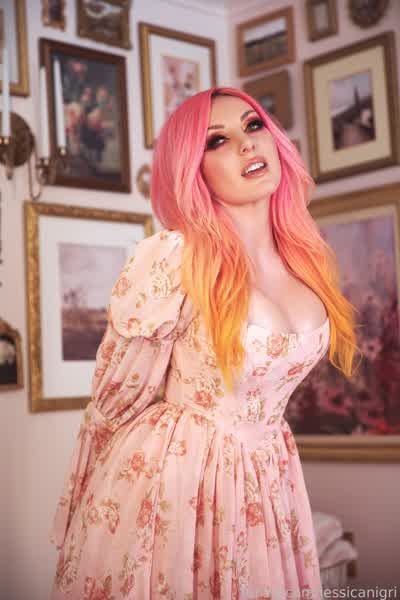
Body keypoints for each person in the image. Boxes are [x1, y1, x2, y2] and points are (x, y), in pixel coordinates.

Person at [49, 87, 360, 599]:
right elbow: (116, 399)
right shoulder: (177, 257)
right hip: (178, 476)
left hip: (269, 475)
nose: (246, 144)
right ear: (194, 169)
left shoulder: (305, 262)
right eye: (218, 140)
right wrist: (87, 499)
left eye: (253, 125)